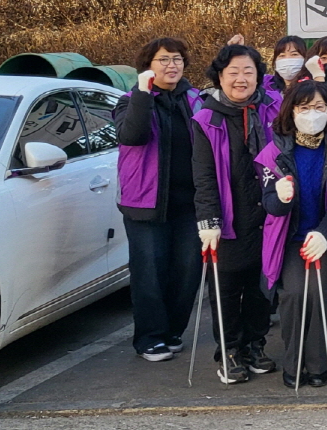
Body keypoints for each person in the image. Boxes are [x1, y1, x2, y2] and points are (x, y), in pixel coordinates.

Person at [258, 81, 327, 388]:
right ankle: (294, 362)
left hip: (325, 237)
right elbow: (268, 203)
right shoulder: (274, 150)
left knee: (317, 291)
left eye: (319, 108)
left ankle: (317, 364)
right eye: (304, 108)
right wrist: (281, 196)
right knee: (295, 293)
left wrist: (324, 234)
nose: (312, 114)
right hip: (288, 239)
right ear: (291, 110)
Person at [192, 43, 282, 383]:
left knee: (262, 286)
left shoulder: (272, 109)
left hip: (268, 213)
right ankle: (228, 350)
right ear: (219, 77)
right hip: (230, 216)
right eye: (233, 73)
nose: (241, 79)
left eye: (249, 72)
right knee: (227, 289)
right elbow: (202, 176)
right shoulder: (206, 118)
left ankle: (255, 345)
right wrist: (208, 220)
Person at [114, 37, 206, 362]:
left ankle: (172, 331)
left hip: (190, 204)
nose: (172, 65)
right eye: (163, 59)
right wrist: (142, 94)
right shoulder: (130, 101)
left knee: (187, 271)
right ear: (147, 66)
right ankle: (150, 337)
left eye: (178, 59)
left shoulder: (196, 101)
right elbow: (132, 135)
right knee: (149, 272)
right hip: (145, 203)